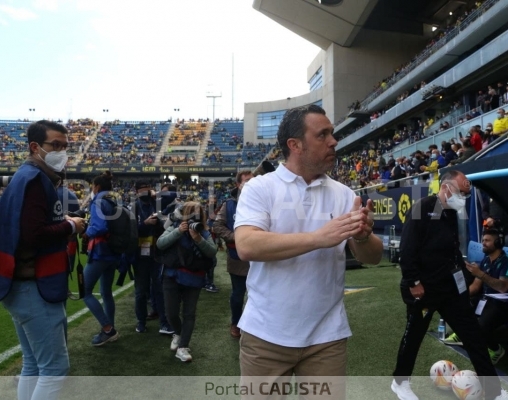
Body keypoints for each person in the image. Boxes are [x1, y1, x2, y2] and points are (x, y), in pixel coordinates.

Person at [234, 105, 383, 379]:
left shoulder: (344, 194)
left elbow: (373, 257)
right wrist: (318, 238)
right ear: (295, 145)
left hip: (327, 338)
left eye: (332, 133)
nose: (333, 141)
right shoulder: (260, 188)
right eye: (322, 134)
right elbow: (247, 245)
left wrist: (362, 236)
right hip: (265, 335)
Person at [0, 120, 86, 400]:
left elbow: (30, 224)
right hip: (33, 286)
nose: (61, 151)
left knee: (33, 365)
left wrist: (63, 220)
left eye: (65, 147)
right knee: (55, 369)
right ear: (35, 147)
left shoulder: (28, 175)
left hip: (21, 285)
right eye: (55, 145)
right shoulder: (35, 179)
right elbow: (32, 235)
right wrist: (71, 227)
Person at [391, 170, 508, 400]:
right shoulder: (422, 208)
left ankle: (495, 392)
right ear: (447, 188)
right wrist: (413, 282)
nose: (464, 198)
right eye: (462, 193)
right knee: (414, 337)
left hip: (450, 291)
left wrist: (464, 273)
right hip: (424, 290)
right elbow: (407, 249)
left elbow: (448, 250)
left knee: (474, 338)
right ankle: (400, 382)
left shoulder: (450, 213)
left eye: (467, 194)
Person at [444, 230, 508, 365]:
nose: (483, 243)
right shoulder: (486, 261)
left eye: (487, 240)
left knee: (480, 327)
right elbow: (476, 286)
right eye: (483, 240)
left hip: (503, 304)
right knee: (460, 308)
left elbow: (504, 287)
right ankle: (461, 334)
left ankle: (496, 350)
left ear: (497, 242)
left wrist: (481, 274)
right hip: (485, 300)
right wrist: (459, 297)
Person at [156, 201, 217, 362]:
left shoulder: (203, 231)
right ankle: (178, 332)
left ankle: (183, 346)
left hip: (194, 277)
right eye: (192, 213)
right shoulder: (176, 226)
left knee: (189, 313)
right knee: (171, 312)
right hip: (172, 275)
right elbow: (160, 244)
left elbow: (212, 252)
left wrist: (198, 239)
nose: (194, 217)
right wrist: (178, 231)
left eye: (198, 213)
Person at [213, 170, 254, 339]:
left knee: (260, 294)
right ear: (238, 184)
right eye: (246, 181)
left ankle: (255, 325)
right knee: (238, 294)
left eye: (253, 181)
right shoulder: (229, 205)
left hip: (261, 257)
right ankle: (236, 323)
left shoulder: (264, 201)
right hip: (237, 257)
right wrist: (237, 238)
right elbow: (217, 226)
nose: (251, 184)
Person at [82, 171, 121, 346]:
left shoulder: (97, 201)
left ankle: (108, 329)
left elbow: (99, 227)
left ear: (96, 187)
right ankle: (110, 328)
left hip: (100, 252)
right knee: (106, 292)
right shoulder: (112, 202)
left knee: (85, 291)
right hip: (113, 252)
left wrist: (85, 232)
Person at [133, 181, 172, 335]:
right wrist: (145, 223)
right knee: (141, 291)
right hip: (139, 255)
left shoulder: (157, 204)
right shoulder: (133, 207)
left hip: (156, 252)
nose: (145, 193)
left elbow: (173, 195)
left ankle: (163, 321)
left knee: (159, 289)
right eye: (142, 190)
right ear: (136, 192)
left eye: (147, 190)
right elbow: (131, 229)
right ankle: (141, 321)